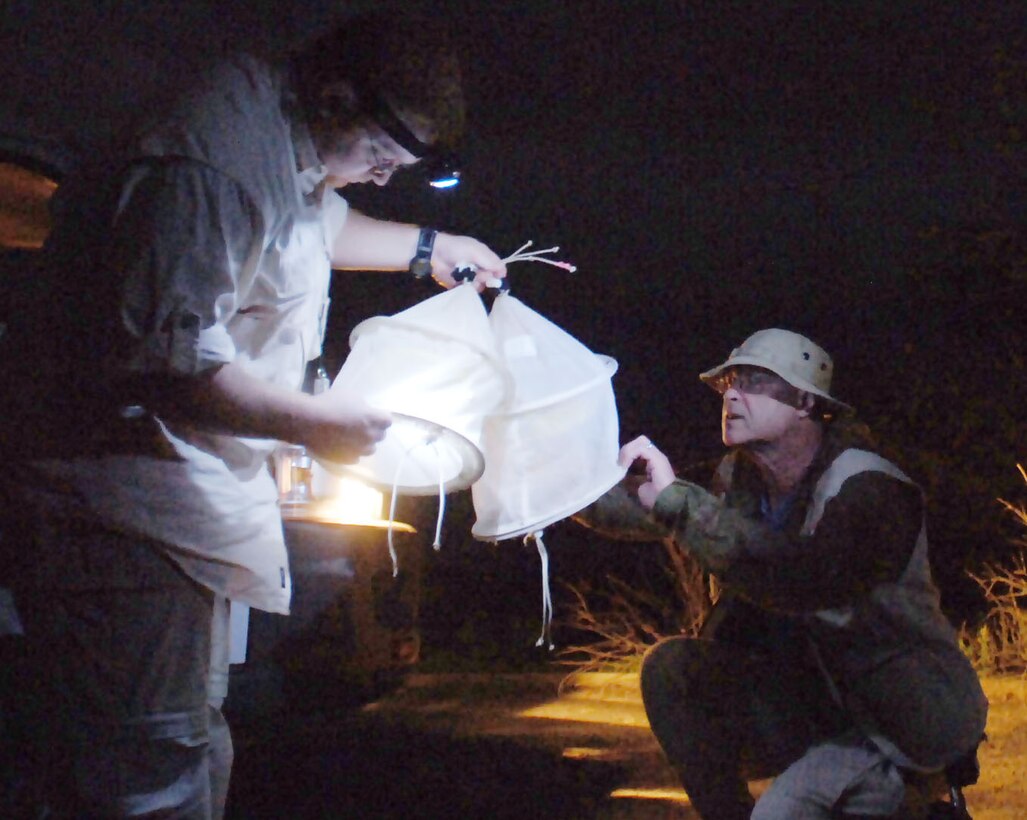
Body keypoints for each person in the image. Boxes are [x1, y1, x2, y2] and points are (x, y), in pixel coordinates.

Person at [0, 11, 505, 818]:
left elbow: (314, 222)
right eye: (381, 154)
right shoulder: (210, 164)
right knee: (145, 770)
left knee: (194, 743)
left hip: (187, 507)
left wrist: (427, 247)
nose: (383, 177)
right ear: (338, 96)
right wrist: (317, 424)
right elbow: (165, 362)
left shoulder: (288, 142)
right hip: (122, 512)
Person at [576, 328, 987, 819]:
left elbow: (804, 579)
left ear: (805, 402)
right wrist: (553, 488)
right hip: (818, 700)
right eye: (730, 380)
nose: (731, 392)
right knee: (674, 671)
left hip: (899, 717)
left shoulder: (869, 486)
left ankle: (920, 802)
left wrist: (681, 503)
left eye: (754, 381)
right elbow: (648, 509)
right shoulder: (741, 478)